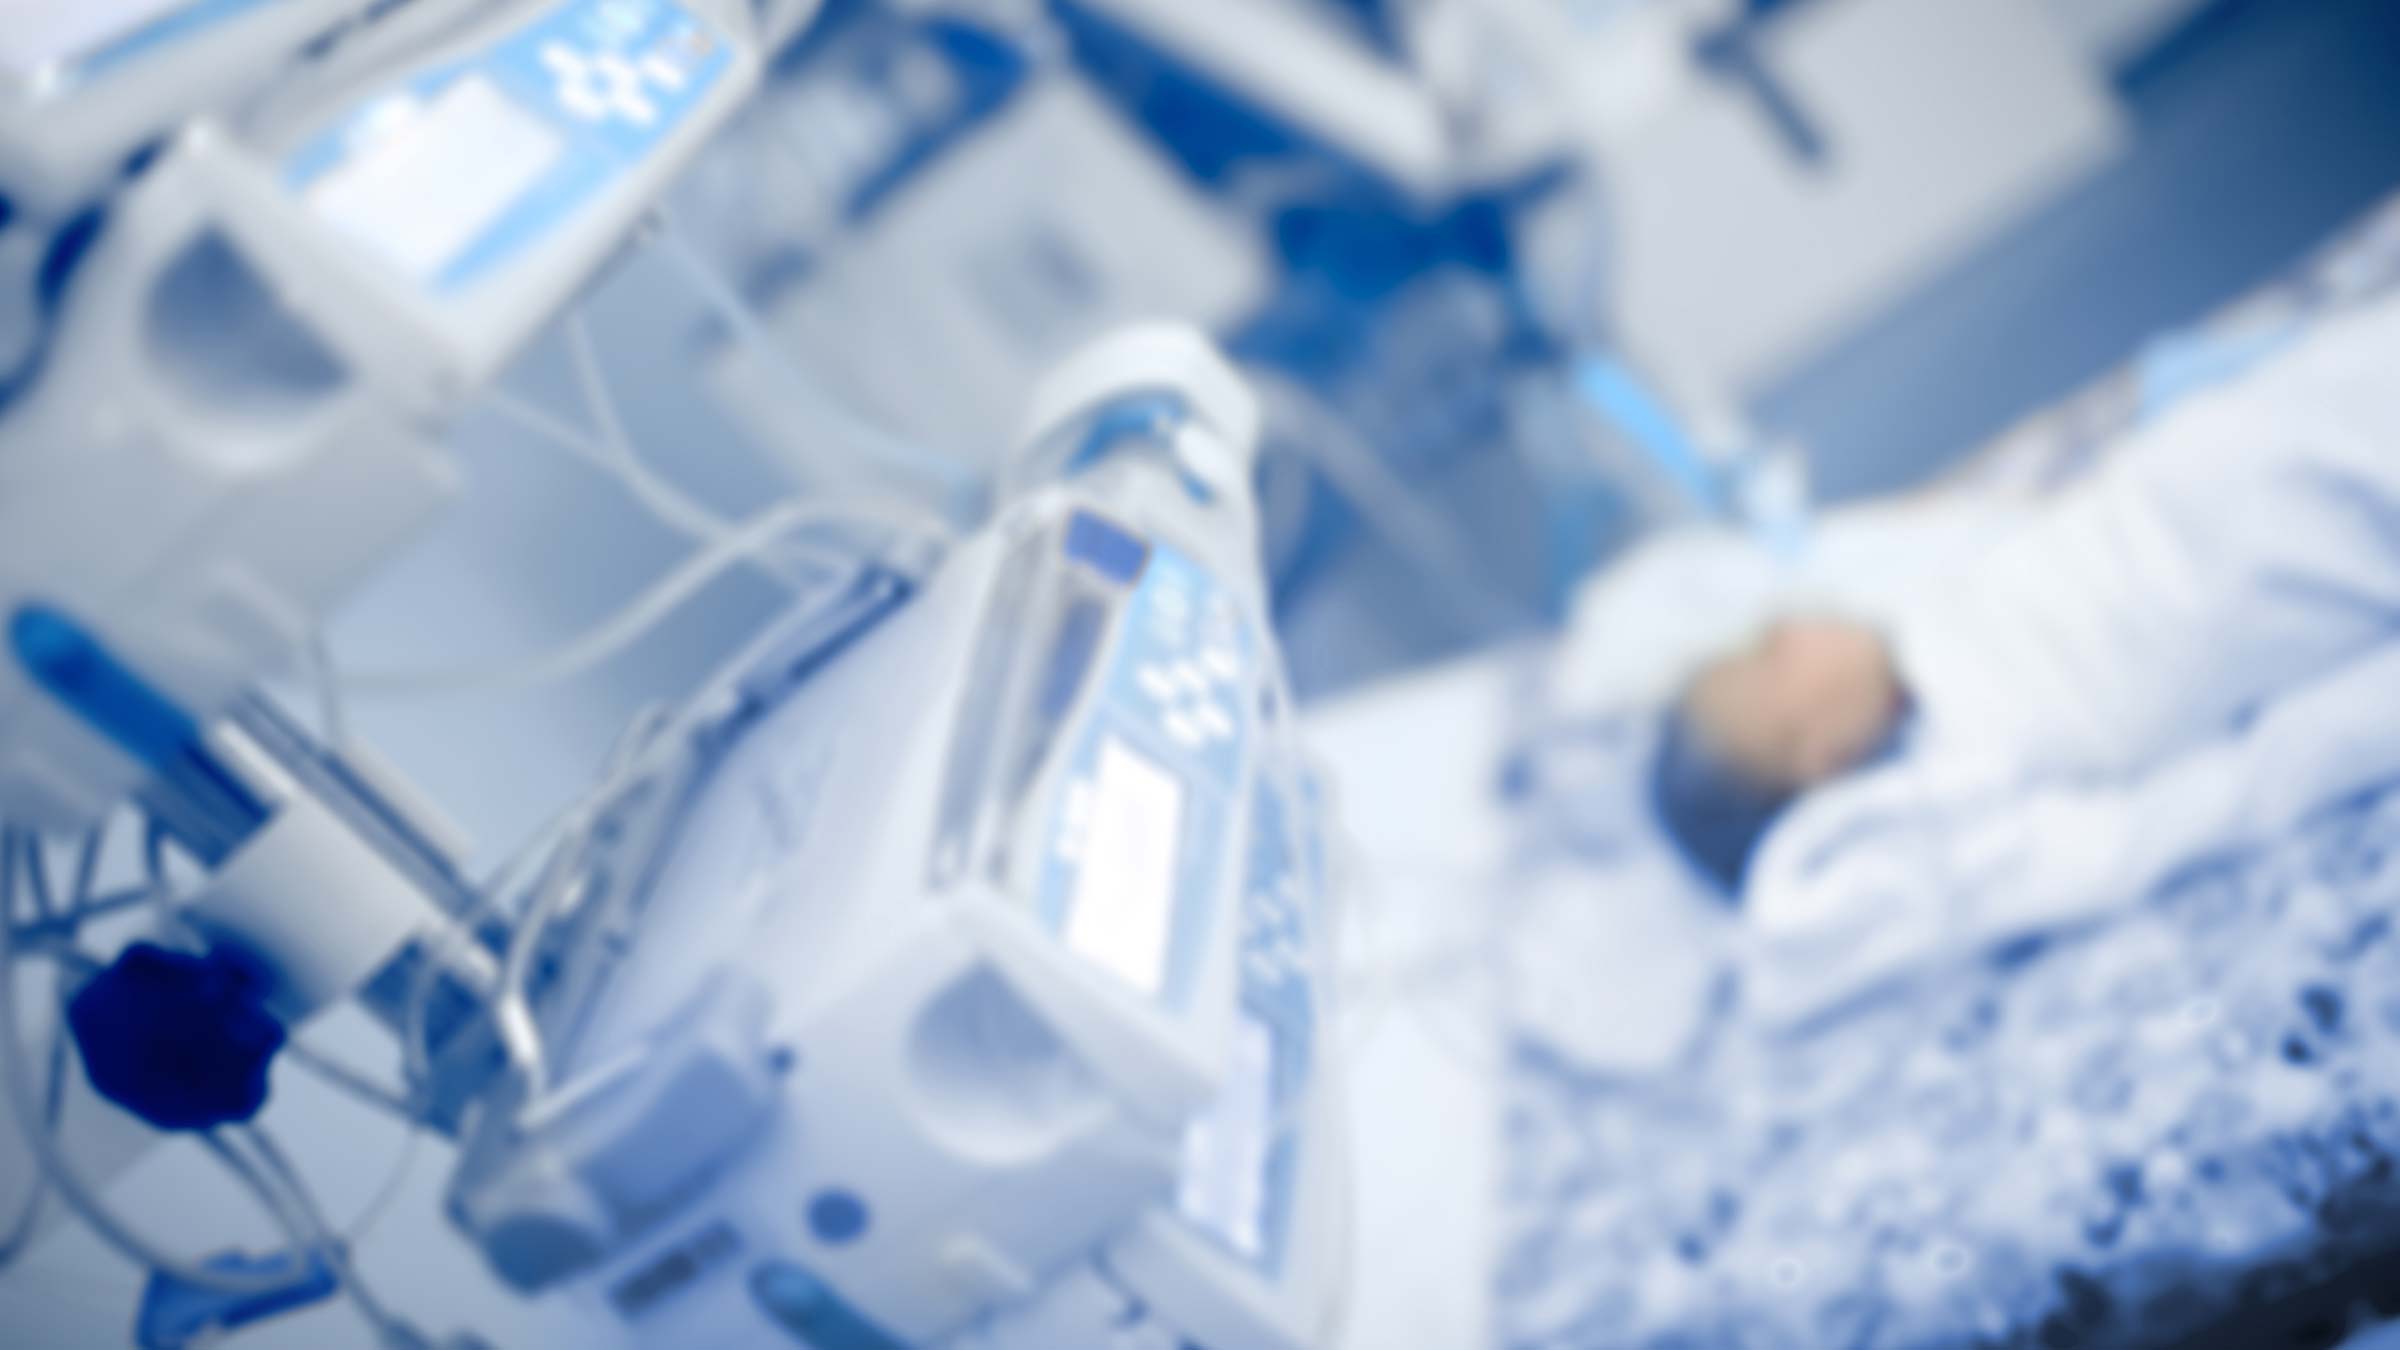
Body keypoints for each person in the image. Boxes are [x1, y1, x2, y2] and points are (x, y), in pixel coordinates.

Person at [1647, 291, 2400, 1025]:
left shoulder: (1932, 620)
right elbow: (2153, 832)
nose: (1783, 627)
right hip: (2223, 569)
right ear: (1824, 753)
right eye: (1768, 661)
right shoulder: (1951, 798)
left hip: (2200, 475)